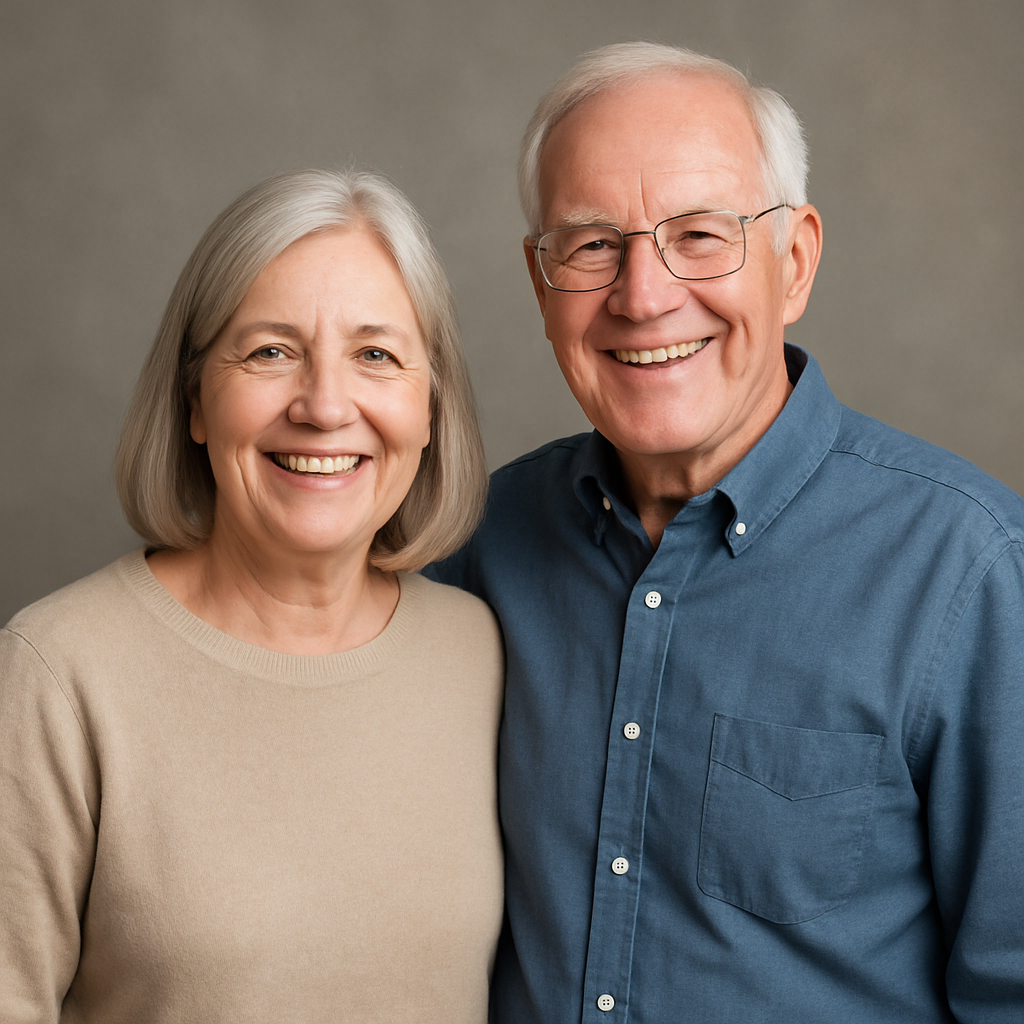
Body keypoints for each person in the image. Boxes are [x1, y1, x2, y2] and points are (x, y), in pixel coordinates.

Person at [427, 42, 1024, 1022]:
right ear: (541, 287)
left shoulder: (972, 574)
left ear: (793, 262)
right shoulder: (473, 550)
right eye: (589, 244)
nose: (642, 295)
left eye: (700, 235)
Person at [0, 168, 503, 1022]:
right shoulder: (59, 670)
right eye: (270, 351)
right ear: (195, 398)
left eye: (376, 355)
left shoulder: (480, 651)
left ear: (430, 406)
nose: (323, 406)